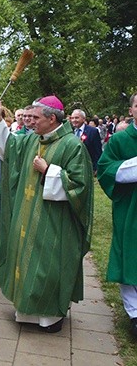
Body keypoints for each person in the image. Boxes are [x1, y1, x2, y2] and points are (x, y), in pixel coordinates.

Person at [0, 95, 94, 332]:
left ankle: (50, 317)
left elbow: (81, 186)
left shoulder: (72, 145)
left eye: (36, 118)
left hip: (55, 220)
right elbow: (10, 148)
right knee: (26, 261)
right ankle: (27, 311)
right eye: (29, 118)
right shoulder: (33, 140)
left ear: (52, 118)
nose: (31, 123)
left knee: (48, 265)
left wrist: (49, 171)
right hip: (27, 214)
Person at [97, 93, 137, 337]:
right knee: (130, 254)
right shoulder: (121, 140)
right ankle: (135, 313)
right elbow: (105, 168)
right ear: (131, 110)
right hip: (131, 206)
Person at [69, 109, 102, 174]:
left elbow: (97, 151)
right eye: (72, 118)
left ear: (84, 119)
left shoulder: (93, 131)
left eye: (77, 118)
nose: (74, 120)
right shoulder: (69, 131)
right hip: (72, 167)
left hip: (88, 167)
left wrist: (97, 167)